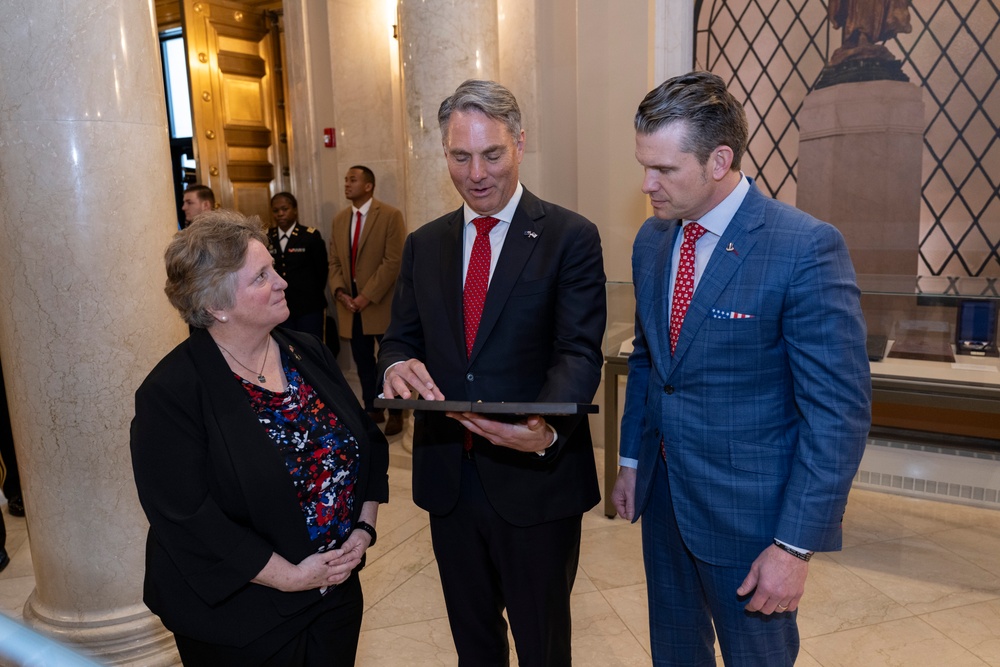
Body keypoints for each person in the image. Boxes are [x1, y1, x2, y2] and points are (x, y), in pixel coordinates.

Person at [612, 71, 871, 666]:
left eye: (665, 169)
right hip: (665, 502)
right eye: (642, 164)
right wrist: (632, 459)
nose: (646, 183)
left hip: (753, 521)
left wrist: (793, 548)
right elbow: (653, 361)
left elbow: (837, 414)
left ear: (719, 160)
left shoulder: (802, 247)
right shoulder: (653, 241)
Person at [378, 79, 606, 667]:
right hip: (449, 479)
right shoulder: (424, 245)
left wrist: (547, 428)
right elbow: (401, 338)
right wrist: (397, 363)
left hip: (535, 478)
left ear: (520, 144)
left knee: (542, 645)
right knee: (473, 644)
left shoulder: (569, 237)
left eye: (492, 154)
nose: (476, 173)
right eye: (460, 156)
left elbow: (577, 351)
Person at [130, 210, 389, 666]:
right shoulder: (170, 393)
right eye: (261, 276)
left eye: (274, 268)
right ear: (216, 306)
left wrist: (363, 528)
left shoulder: (305, 350)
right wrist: (288, 576)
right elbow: (188, 517)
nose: (282, 282)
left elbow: (366, 441)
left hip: (333, 596)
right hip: (240, 618)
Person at [329, 166, 406, 435]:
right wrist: (340, 292)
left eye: (353, 179)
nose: (347, 184)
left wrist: (366, 296)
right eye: (346, 179)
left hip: (380, 304)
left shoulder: (389, 215)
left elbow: (393, 261)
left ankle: (397, 412)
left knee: (389, 360)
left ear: (369, 186)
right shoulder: (340, 220)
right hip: (350, 306)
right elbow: (335, 261)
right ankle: (372, 407)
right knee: (363, 361)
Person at [267, 192, 329, 340]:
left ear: (295, 210)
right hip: (279, 305)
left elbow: (322, 272)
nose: (280, 214)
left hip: (308, 306)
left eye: (284, 209)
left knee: (311, 348)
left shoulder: (310, 236)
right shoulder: (268, 237)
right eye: (276, 211)